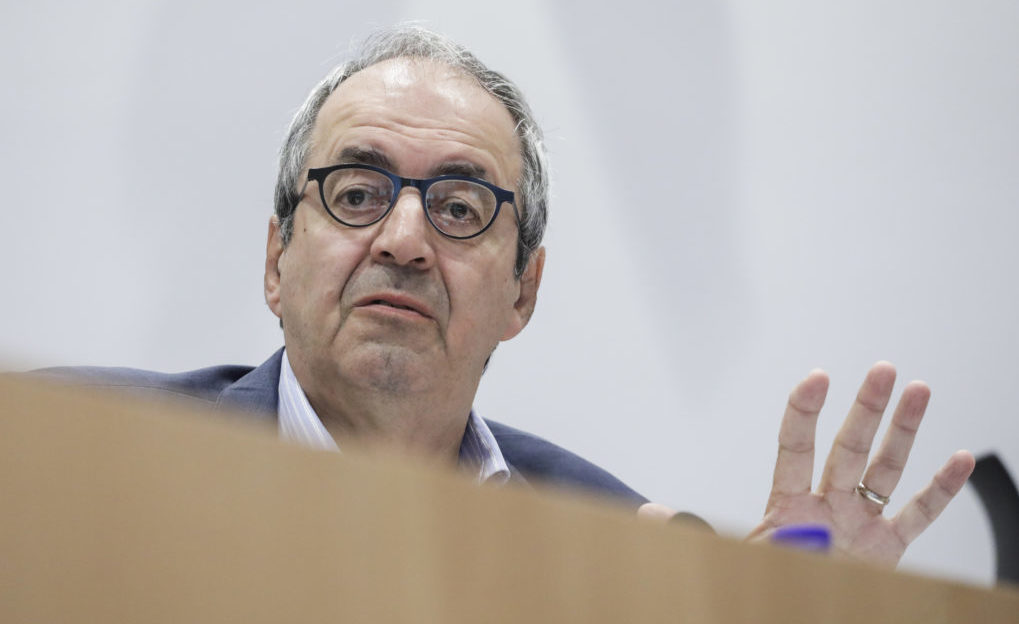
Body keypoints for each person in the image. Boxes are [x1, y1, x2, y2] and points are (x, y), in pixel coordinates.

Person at [44, 25, 975, 566]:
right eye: (357, 194)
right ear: (276, 258)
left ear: (523, 292)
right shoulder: (65, 457)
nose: (403, 240)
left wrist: (780, 612)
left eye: (459, 208)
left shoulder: (623, 552)